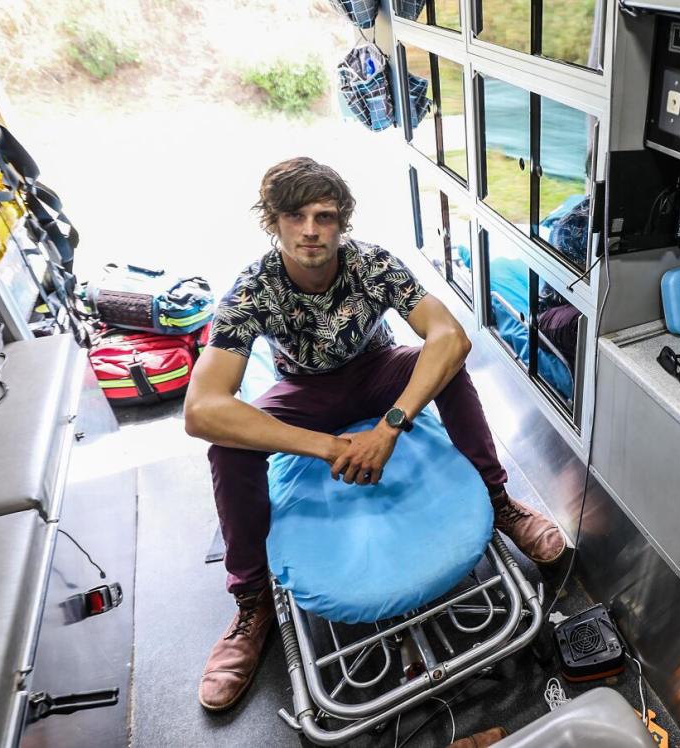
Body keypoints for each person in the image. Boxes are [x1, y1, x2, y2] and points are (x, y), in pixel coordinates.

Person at [184, 157, 566, 712]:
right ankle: (251, 600)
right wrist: (329, 446)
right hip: (306, 395)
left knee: (448, 367)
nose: (311, 230)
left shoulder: (372, 265)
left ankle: (499, 502)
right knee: (228, 444)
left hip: (376, 371)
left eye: (325, 216)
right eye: (295, 216)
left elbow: (448, 336)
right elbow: (201, 409)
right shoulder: (253, 290)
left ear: (343, 223)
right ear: (274, 222)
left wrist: (390, 427)